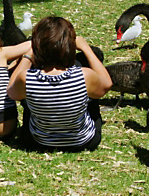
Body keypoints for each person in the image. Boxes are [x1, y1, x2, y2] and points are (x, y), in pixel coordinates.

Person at [7, 16, 112, 152]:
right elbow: (106, 84)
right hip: (82, 142)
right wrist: (86, 49)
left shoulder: (26, 78)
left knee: (28, 100)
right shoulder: (85, 75)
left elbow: (11, 91)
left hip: (40, 142)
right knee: (93, 98)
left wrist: (27, 57)